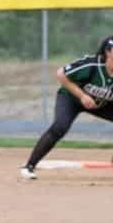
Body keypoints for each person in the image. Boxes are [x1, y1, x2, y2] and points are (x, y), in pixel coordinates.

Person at [21, 35, 113, 179]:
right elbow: (61, 74)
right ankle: (29, 166)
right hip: (71, 98)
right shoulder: (92, 65)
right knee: (60, 127)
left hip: (100, 103)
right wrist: (82, 96)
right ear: (108, 52)